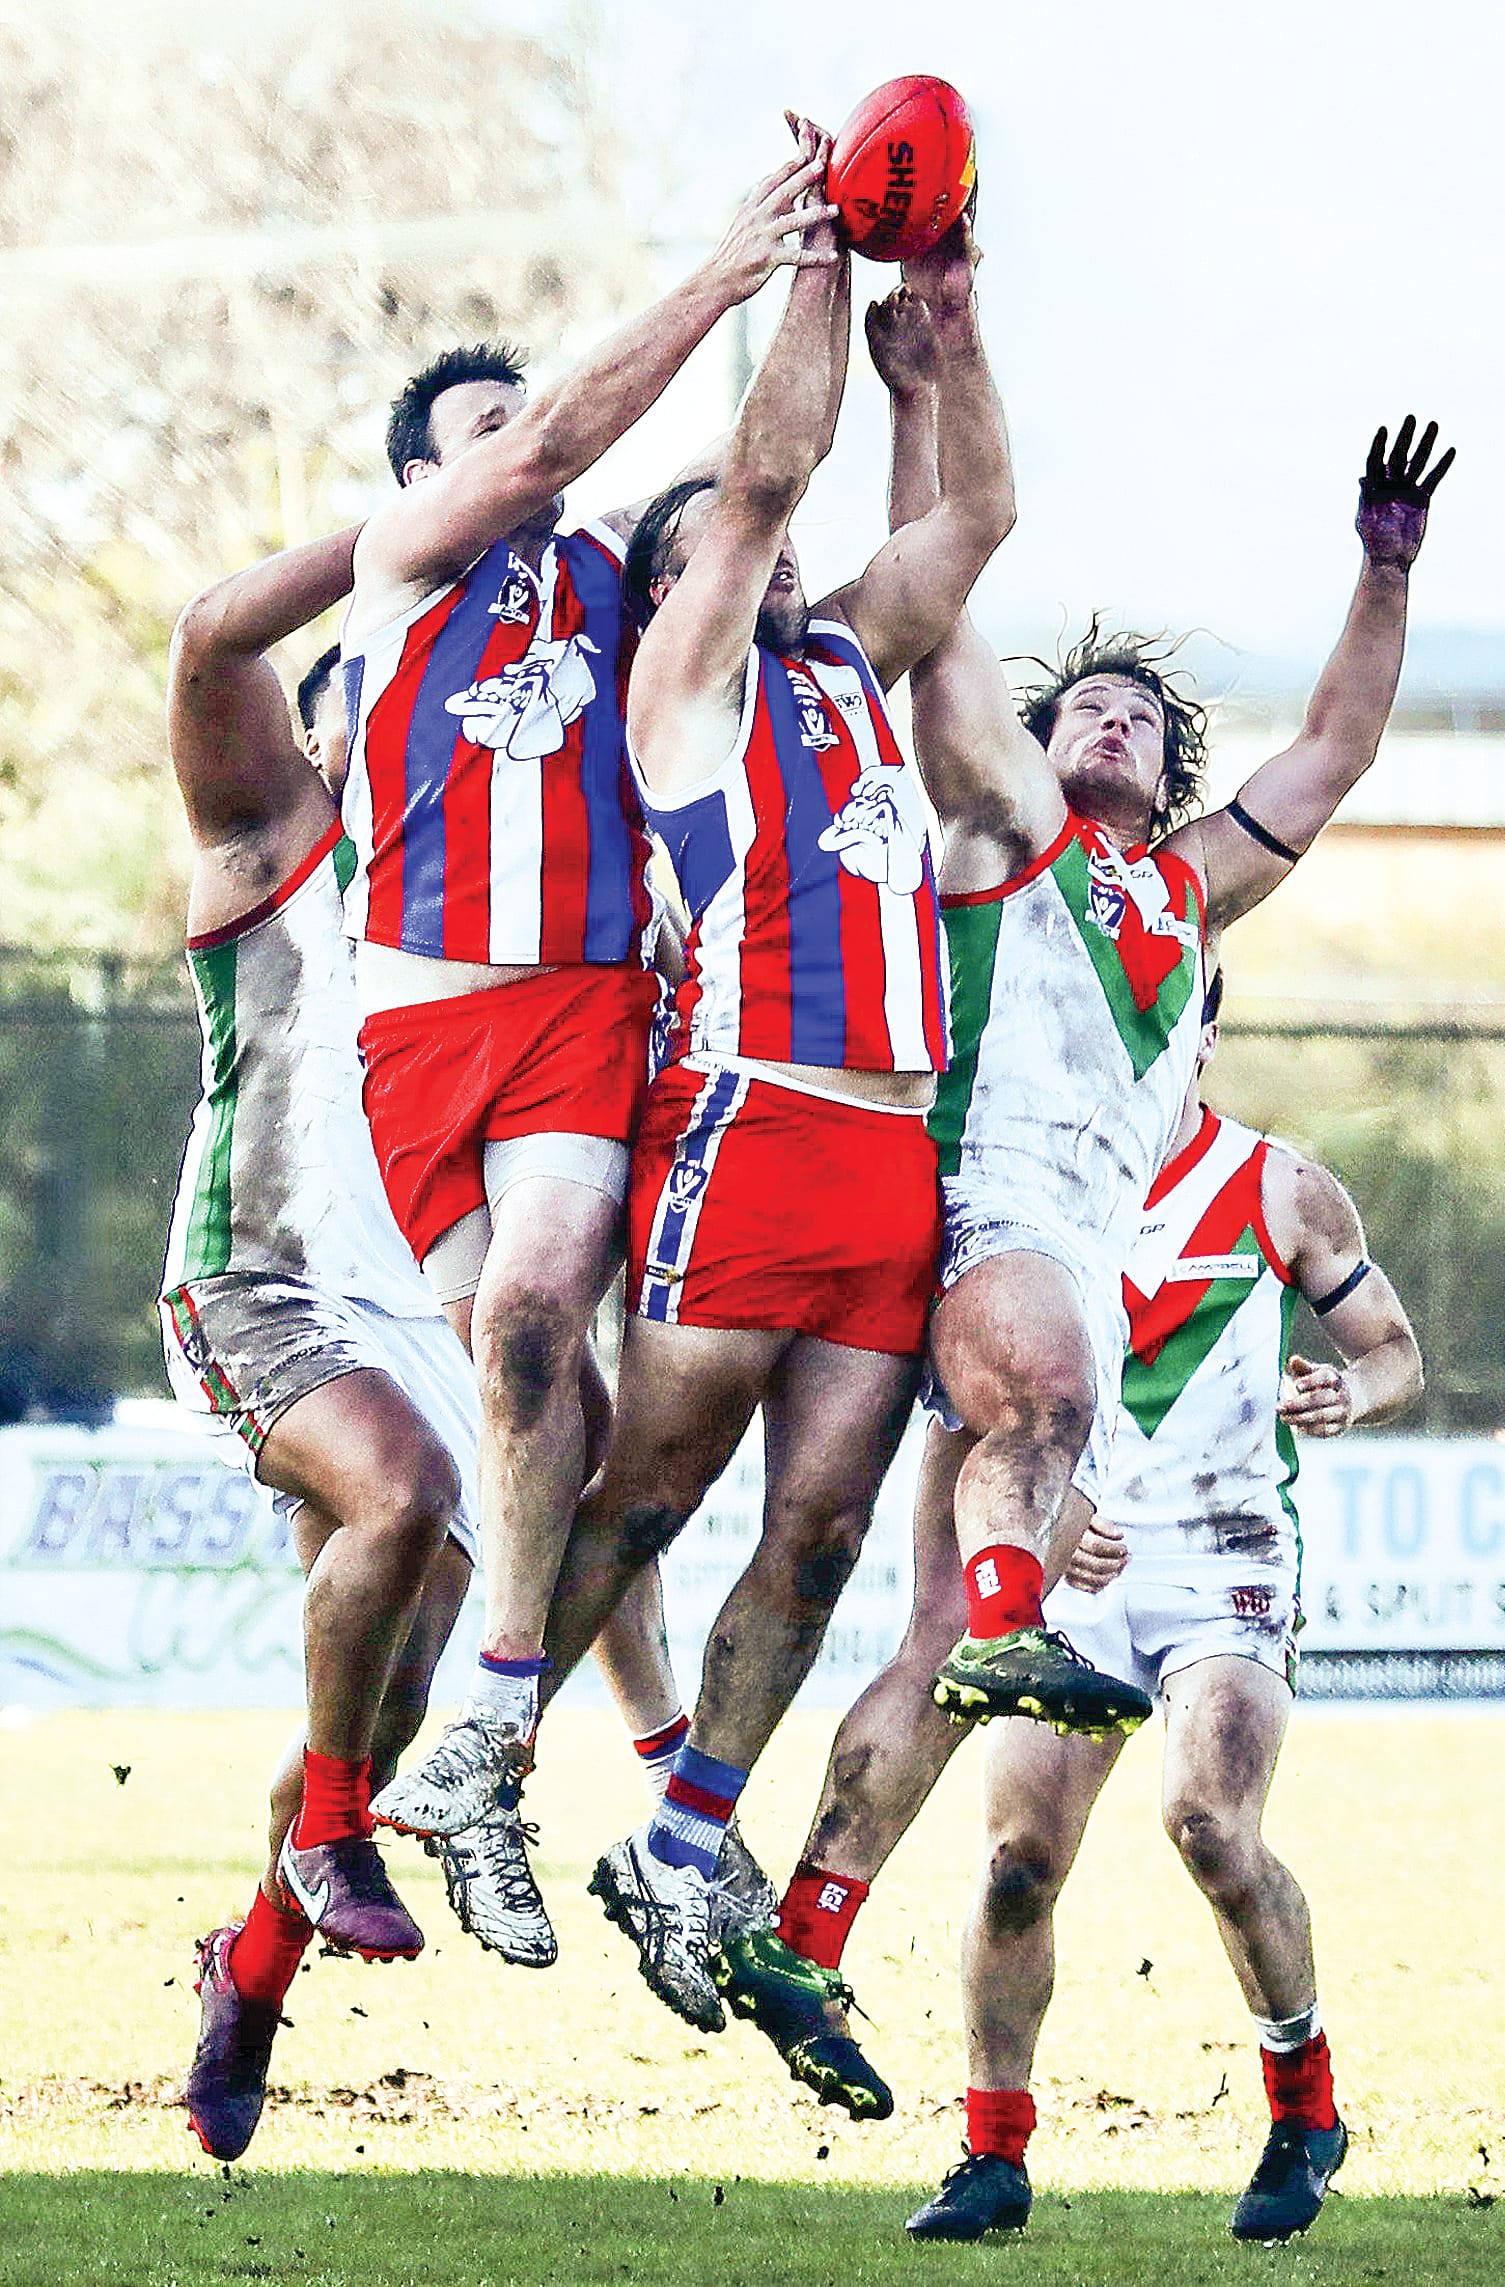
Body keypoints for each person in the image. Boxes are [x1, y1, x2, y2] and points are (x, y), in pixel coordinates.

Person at [718, 383, 1452, 2116]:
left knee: (924, 1648)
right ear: (1039, 747)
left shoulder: (1179, 895)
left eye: (1137, 714)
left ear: (1165, 772)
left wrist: (1380, 569)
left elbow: (1333, 752)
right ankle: (955, 1642)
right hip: (977, 1214)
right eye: (1086, 705)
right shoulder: (993, 829)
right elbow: (939, 611)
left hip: (1018, 1258)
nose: (1109, 720)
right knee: (1023, 1475)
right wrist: (923, 389)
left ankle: (802, 1924)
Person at [522, 132, 1015, 2037]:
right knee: (648, 1495)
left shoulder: (842, 669)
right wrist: (815, 261)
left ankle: (678, 1839)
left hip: (889, 1158)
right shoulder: (688, 689)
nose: (776, 551)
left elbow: (970, 516)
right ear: (670, 595)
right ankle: (485, 1739)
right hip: (754, 1115)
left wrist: (951, 329)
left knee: (810, 1532)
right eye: (723, 552)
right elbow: (760, 475)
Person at [344, 149, 838, 1920]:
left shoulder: (626, 594)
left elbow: (752, 499)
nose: (518, 447)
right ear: (421, 474)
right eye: (477, 430)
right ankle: (504, 1758)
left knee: (538, 1320)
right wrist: (721, 266)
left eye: (518, 424)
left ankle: (484, 1727)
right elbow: (552, 441)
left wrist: (831, 295)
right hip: (413, 1029)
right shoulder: (400, 564)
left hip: (576, 1013)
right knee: (545, 1409)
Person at [905, 979, 1424, 2243]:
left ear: (1196, 1033)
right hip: (1073, 1576)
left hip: (1227, 1555)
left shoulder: (1279, 1185)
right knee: (1017, 1864)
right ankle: (991, 2154)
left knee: (1211, 1827)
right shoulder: (1007, 1194)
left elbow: (1397, 1349)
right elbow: (956, 1397)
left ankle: (1305, 2109)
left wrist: (1353, 1393)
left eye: (1154, 1018)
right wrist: (1034, 1528)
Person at [294, 648, 731, 1965]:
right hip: (342, 1311)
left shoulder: (531, 880)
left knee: (580, 1456)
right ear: (322, 749)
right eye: (356, 719)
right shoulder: (300, 866)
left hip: (472, 1281)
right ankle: (261, 1965)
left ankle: (619, 1782)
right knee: (368, 1707)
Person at [160, 532, 483, 2161]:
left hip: (428, 1319)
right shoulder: (272, 828)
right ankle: (342, 1842)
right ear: (325, 719)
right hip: (258, 1279)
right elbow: (212, 632)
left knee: (388, 1692)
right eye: (386, 682)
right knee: (402, 1491)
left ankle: (255, 1966)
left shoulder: (491, 888)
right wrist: (415, 518)